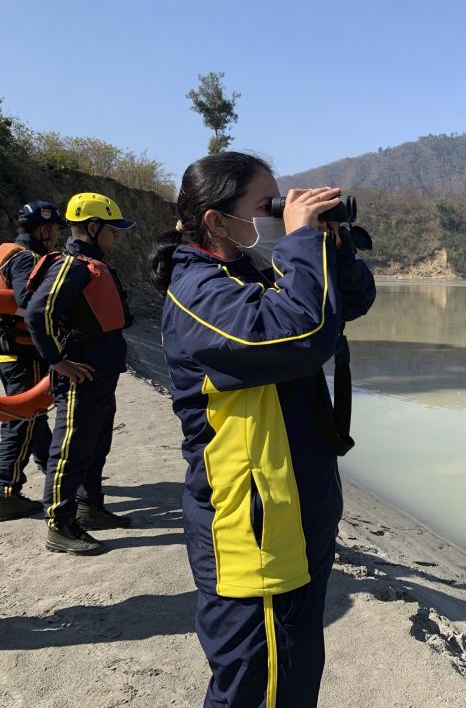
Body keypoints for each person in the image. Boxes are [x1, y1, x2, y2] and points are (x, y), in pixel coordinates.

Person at [150, 151, 375, 708]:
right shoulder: (200, 291)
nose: (275, 217)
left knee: (292, 675)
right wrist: (298, 241)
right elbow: (301, 333)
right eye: (265, 207)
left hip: (293, 515)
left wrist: (330, 243)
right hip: (254, 532)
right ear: (216, 220)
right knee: (259, 683)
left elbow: (350, 302)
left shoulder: (244, 275)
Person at [25, 192, 135, 555]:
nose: (116, 236)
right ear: (92, 226)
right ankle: (59, 524)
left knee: (95, 443)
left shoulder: (92, 263)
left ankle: (89, 507)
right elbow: (38, 313)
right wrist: (57, 361)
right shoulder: (71, 265)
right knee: (70, 448)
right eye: (112, 229)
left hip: (100, 374)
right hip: (80, 375)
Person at [0, 201, 62, 520]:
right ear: (44, 229)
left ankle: (52, 468)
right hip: (25, 349)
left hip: (8, 348)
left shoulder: (6, 251)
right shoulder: (27, 259)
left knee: (34, 416)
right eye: (54, 231)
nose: (55, 237)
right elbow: (31, 305)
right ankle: (5, 490)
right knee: (22, 417)